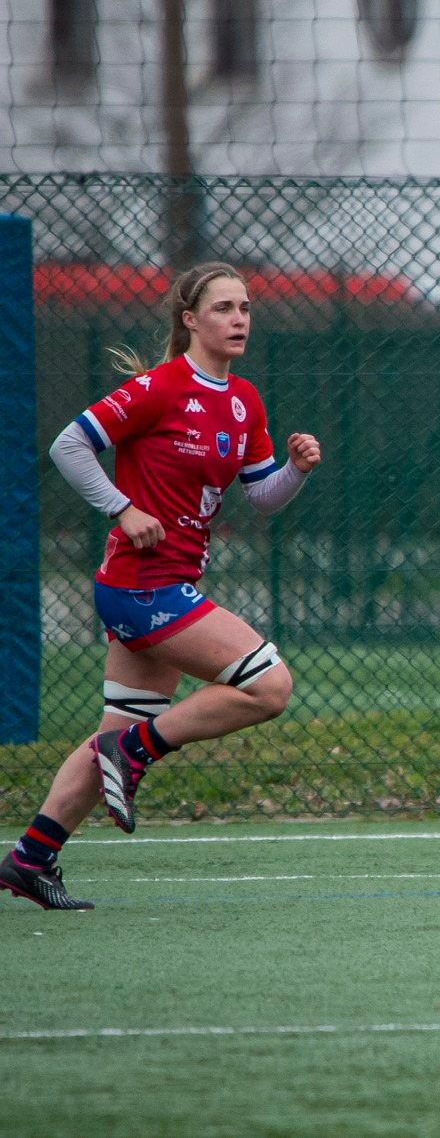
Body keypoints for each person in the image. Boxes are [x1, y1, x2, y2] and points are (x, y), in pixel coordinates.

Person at [2, 262, 320, 910]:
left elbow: (261, 495)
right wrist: (121, 507)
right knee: (268, 684)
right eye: (225, 308)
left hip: (160, 586)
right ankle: (137, 750)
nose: (239, 319)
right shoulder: (159, 387)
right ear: (189, 319)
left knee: (115, 727)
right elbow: (69, 445)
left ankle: (30, 857)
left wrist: (295, 468)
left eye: (246, 307)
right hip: (143, 586)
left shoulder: (243, 399)